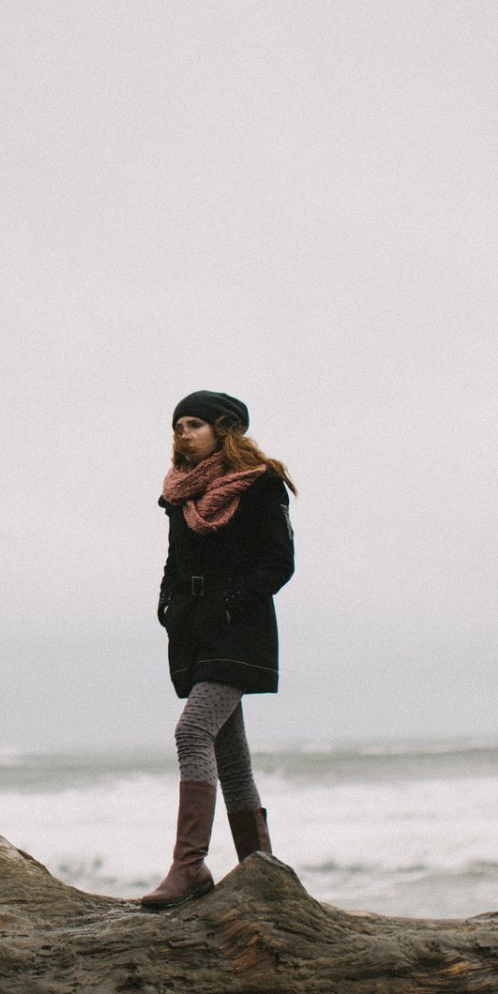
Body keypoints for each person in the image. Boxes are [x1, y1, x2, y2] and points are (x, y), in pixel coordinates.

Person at [140, 389, 297, 910]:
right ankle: (262, 869)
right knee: (231, 759)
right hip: (194, 631)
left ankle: (189, 866)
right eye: (178, 425)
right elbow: (174, 561)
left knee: (192, 731)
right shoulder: (179, 493)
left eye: (194, 424)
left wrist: (230, 605)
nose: (183, 433)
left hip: (238, 630)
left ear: (223, 430)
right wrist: (167, 604)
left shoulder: (261, 484)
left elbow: (278, 563)